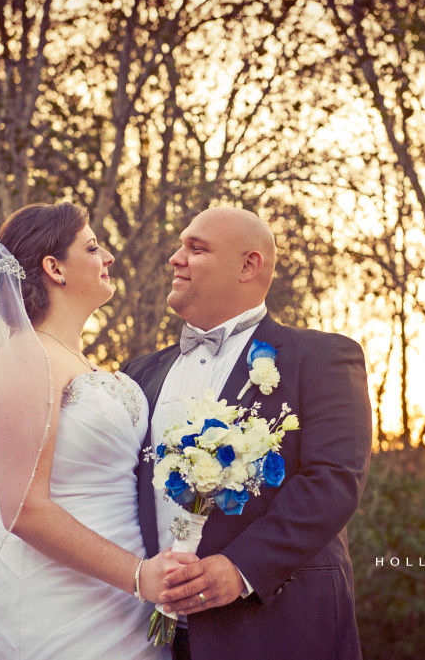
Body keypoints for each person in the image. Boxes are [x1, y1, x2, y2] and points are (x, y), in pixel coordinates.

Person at [0, 202, 195, 660]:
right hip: (49, 606)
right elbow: (25, 510)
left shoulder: (80, 362)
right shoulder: (22, 359)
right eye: (93, 246)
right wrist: (140, 575)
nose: (108, 258)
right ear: (54, 268)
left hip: (118, 601)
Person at [123, 207, 373, 659]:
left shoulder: (321, 359)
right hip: (146, 635)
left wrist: (241, 569)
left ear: (248, 265)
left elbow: (333, 482)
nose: (176, 259)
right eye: (181, 246)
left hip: (277, 629)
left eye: (196, 248)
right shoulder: (138, 376)